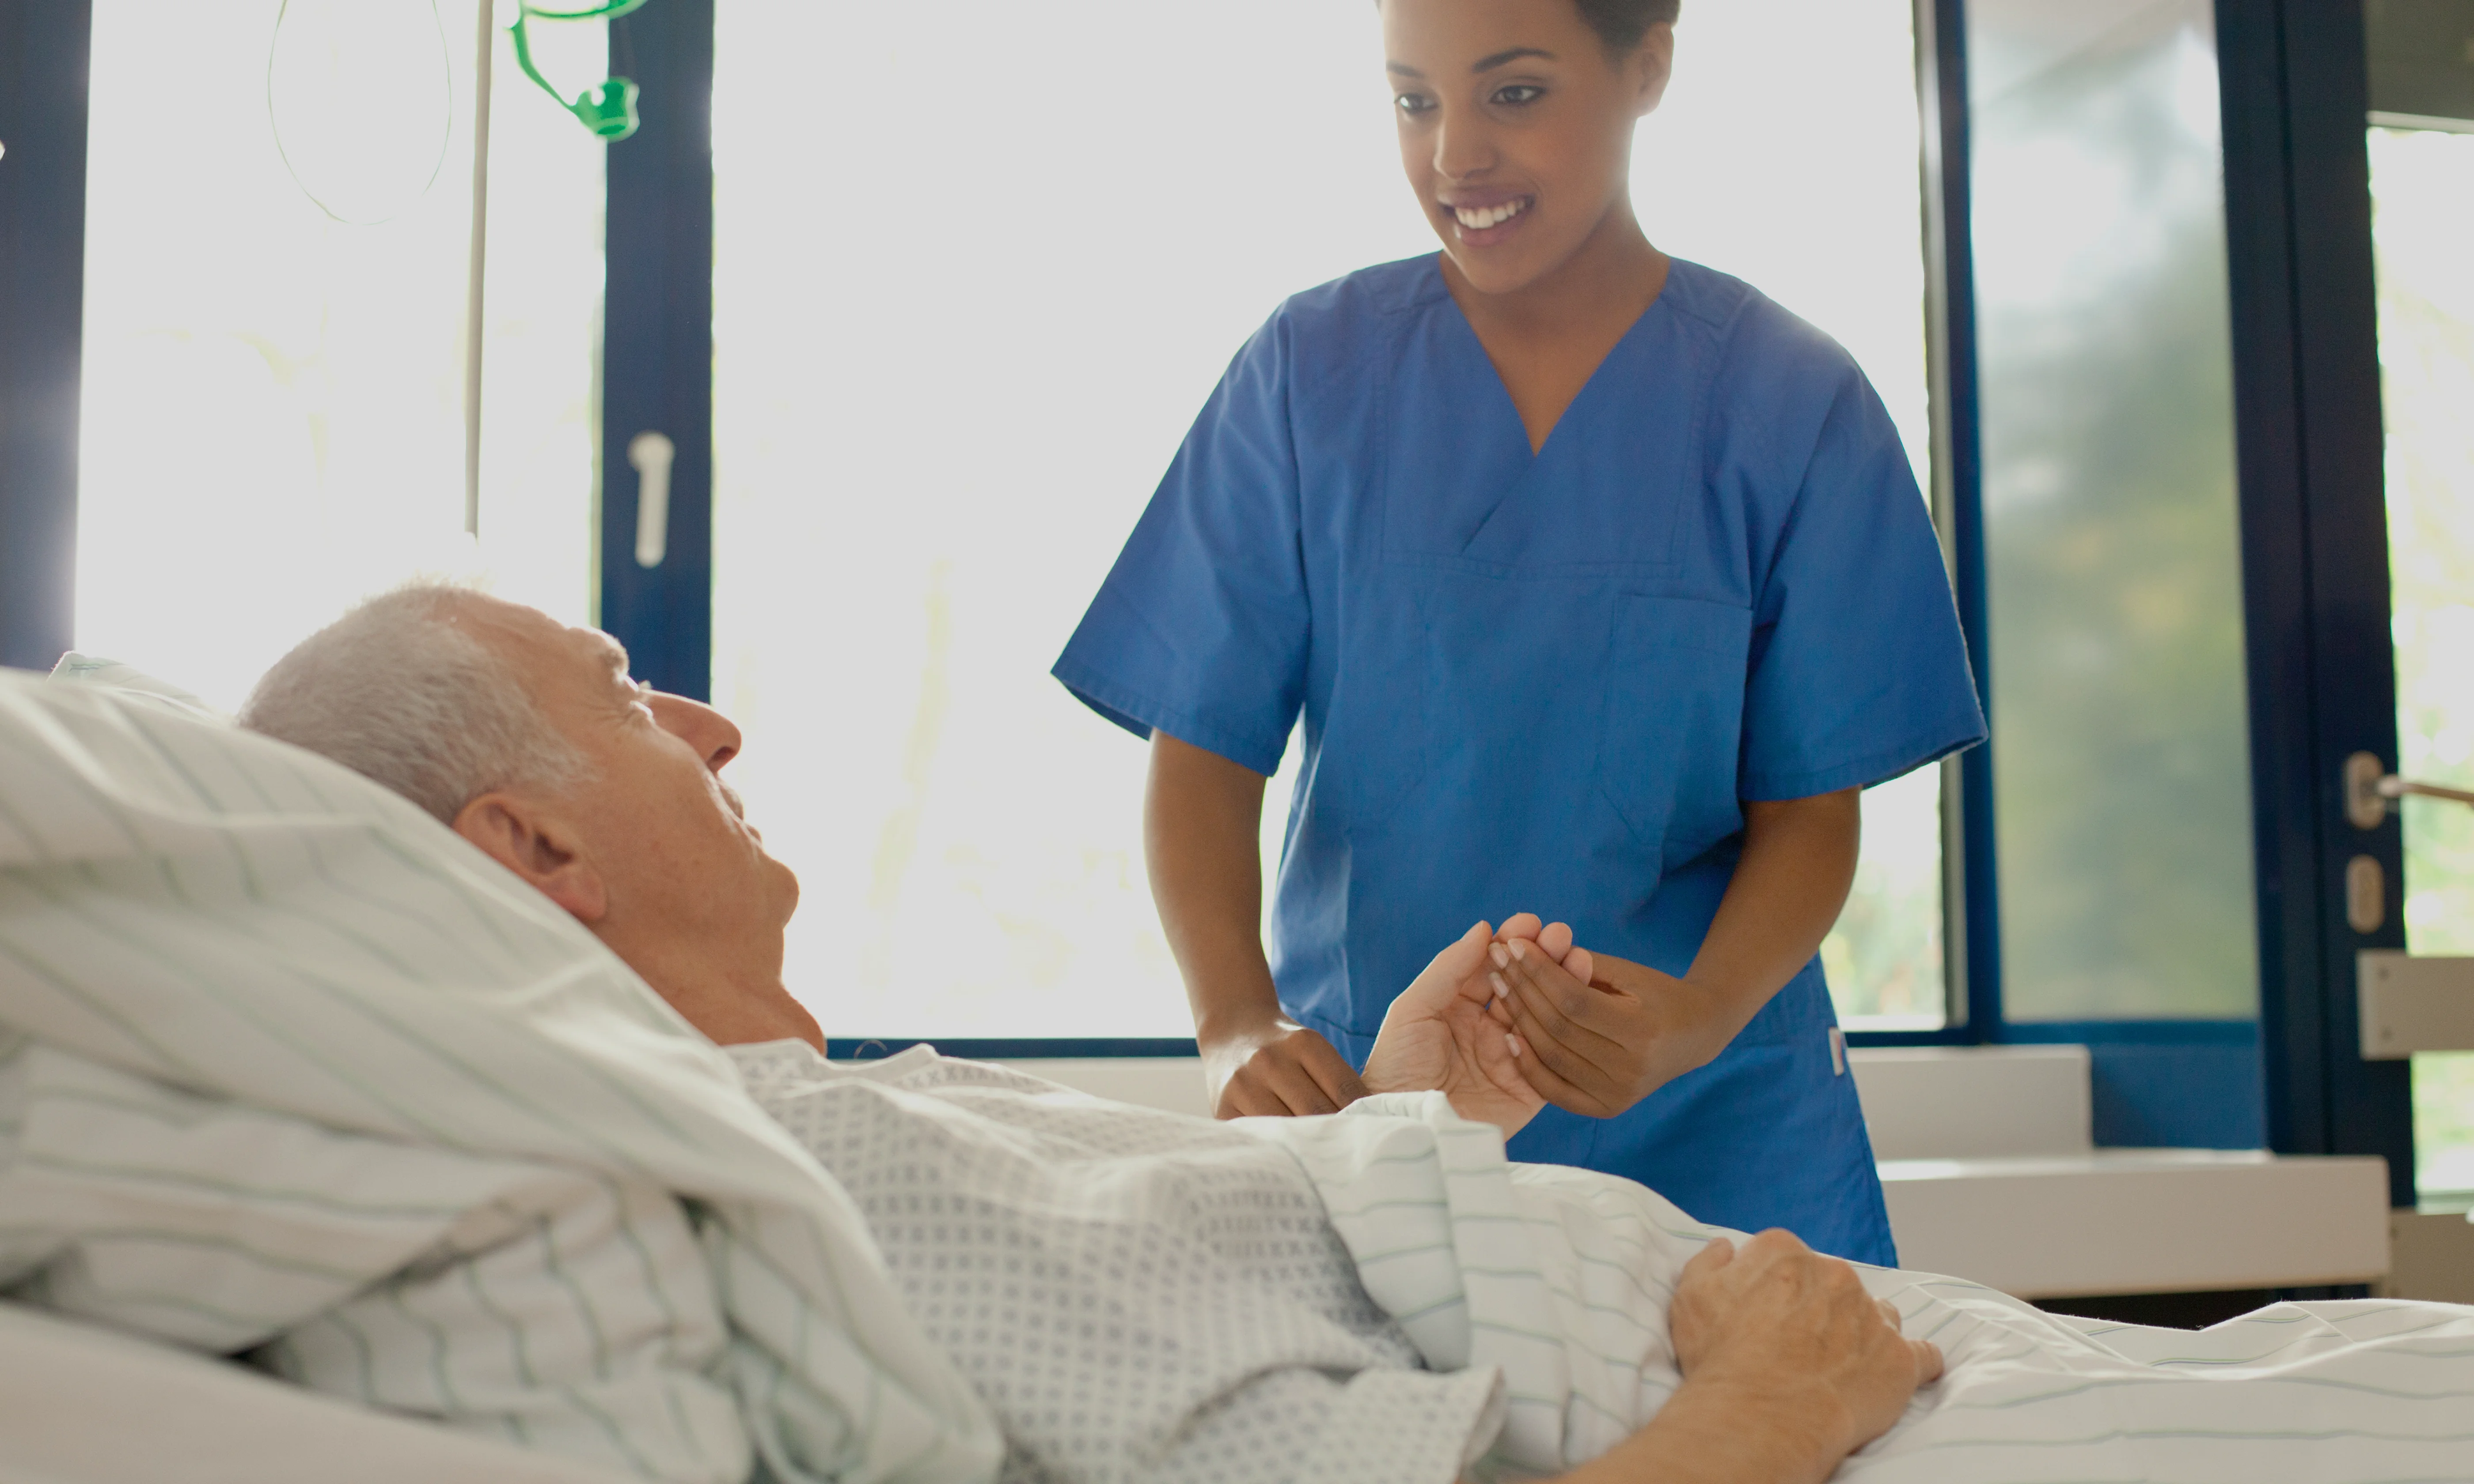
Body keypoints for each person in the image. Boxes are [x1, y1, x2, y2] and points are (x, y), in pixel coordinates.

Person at [226, 588, 2474, 1484]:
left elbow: (1192, 1297)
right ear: (535, 851)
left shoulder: (844, 1121)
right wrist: (1770, 1409)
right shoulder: (791, 1192)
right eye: (632, 700)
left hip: (1800, 1340)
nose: (710, 717)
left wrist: (1410, 1110)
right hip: (1789, 1406)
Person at [1051, 0, 1983, 1265]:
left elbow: (1813, 812)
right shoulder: (1307, 376)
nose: (1455, 158)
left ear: (1647, 65)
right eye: (1412, 101)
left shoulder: (1790, 400)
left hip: (1717, 1134)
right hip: (1385, 1123)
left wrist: (1693, 1020)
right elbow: (1204, 758)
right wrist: (1235, 1026)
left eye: (1517, 94)